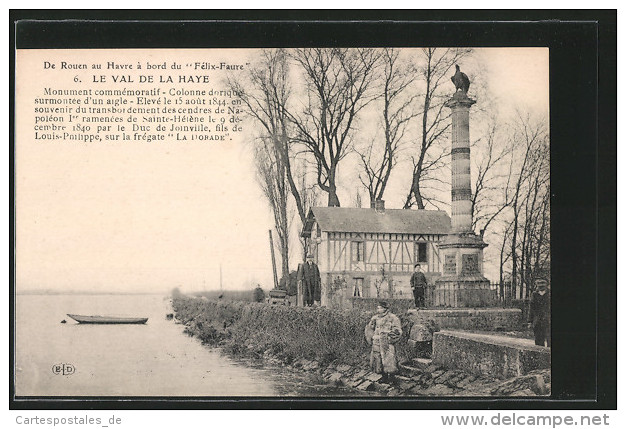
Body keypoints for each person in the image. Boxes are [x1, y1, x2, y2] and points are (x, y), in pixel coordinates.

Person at [366, 300, 402, 383]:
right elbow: (369, 328)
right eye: (378, 308)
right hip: (376, 342)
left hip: (387, 343)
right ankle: (384, 377)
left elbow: (397, 331)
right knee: (378, 360)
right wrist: (371, 338)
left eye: (380, 308)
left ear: (385, 309)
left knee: (389, 360)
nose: (378, 310)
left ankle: (392, 378)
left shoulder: (392, 318)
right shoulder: (375, 318)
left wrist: (389, 339)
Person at [528, 278, 551, 347]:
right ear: (536, 284)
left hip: (548, 321)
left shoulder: (549, 294)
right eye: (539, 283)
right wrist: (530, 321)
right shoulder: (534, 294)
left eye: (543, 283)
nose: (541, 285)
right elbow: (531, 308)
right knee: (538, 342)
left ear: (547, 284)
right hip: (537, 321)